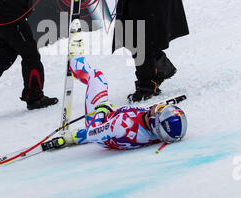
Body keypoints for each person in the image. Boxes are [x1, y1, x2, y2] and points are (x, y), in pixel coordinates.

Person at [54, 56, 187, 150]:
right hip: (111, 125)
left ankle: (74, 59)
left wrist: (102, 110)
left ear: (155, 121)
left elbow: (92, 133)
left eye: (160, 110)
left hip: (98, 122)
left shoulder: (123, 125)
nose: (159, 106)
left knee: (97, 77)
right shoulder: (160, 133)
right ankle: (77, 135)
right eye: (163, 106)